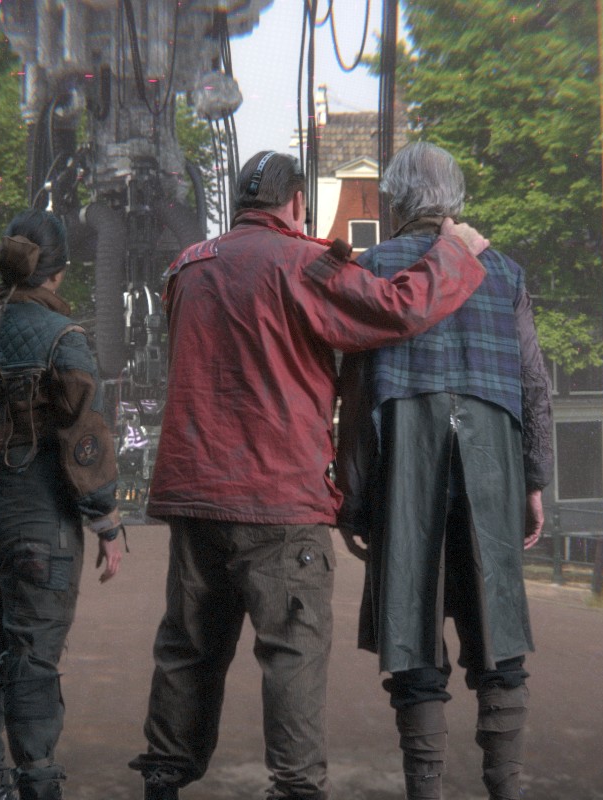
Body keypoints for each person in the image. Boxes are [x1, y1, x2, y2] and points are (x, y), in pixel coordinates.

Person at [129, 150, 492, 800]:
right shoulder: (302, 263)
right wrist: (455, 252)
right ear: (296, 202)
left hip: (194, 493)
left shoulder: (186, 267)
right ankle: (296, 787)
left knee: (188, 647)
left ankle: (163, 776)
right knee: (292, 652)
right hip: (279, 496)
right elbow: (394, 310)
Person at [333, 142, 553, 800]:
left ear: (395, 200)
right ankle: (504, 788)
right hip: (492, 459)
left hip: (405, 458)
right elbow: (534, 385)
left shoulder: (372, 270)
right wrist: (534, 479)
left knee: (413, 633)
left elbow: (355, 396)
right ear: (455, 198)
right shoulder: (504, 272)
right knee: (498, 633)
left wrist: (354, 498)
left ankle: (424, 790)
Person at [0, 210, 126, 800]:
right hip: (39, 521)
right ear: (58, 271)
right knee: (33, 657)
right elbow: (85, 438)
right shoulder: (65, 339)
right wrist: (106, 522)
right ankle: (38, 783)